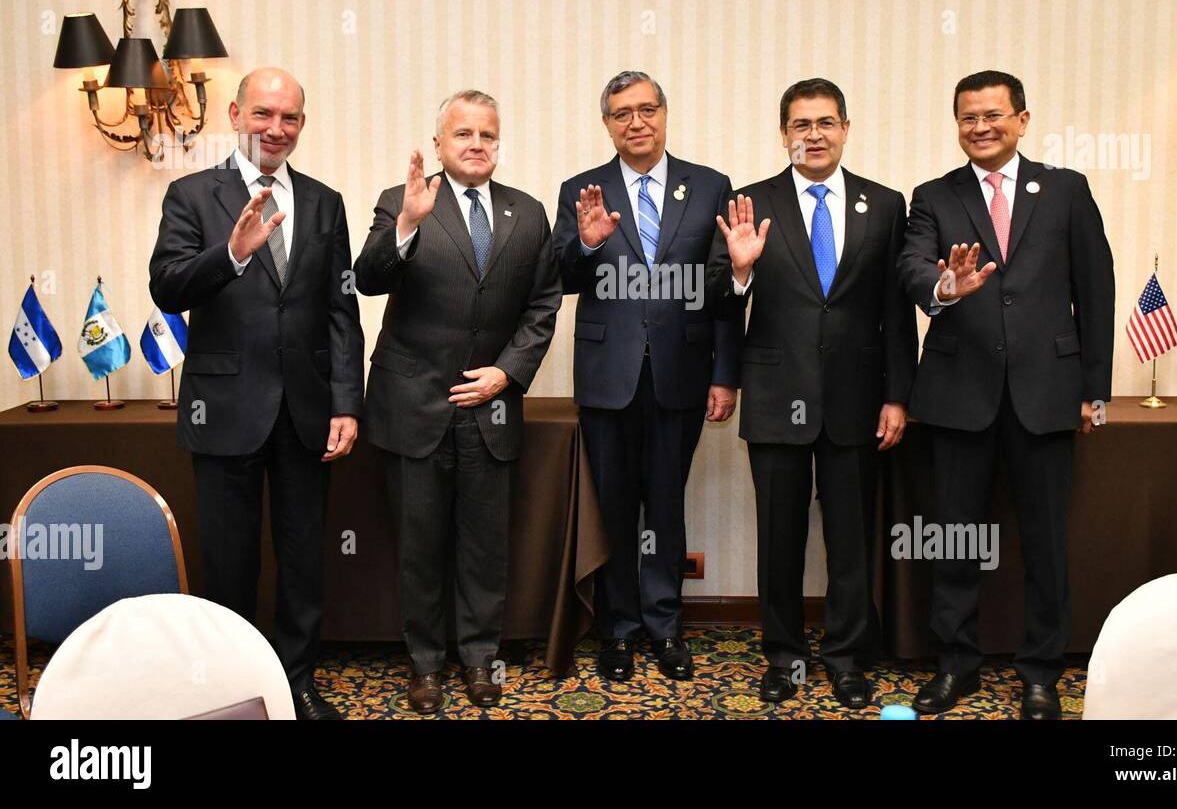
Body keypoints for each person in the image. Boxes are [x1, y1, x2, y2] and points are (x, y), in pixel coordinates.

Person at [897, 70, 1115, 719]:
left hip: (1048, 393)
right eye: (968, 117)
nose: (981, 126)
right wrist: (943, 289)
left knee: (1045, 543)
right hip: (958, 393)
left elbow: (1096, 291)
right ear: (956, 124)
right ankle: (955, 664)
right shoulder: (933, 196)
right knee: (956, 539)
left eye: (994, 115)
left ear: (1022, 119)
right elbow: (913, 267)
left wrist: (1094, 390)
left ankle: (1042, 671)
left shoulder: (1067, 190)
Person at [149, 67, 364, 720]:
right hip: (224, 412)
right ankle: (232, 691)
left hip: (305, 414)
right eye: (265, 114)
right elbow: (168, 285)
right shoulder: (191, 195)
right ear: (237, 114)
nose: (277, 128)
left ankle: (295, 683)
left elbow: (340, 309)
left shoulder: (325, 202)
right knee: (229, 565)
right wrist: (233, 254)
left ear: (302, 123)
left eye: (290, 117)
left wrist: (346, 401)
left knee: (303, 562)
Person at [707, 77, 917, 709]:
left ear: (846, 129)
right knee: (780, 538)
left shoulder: (884, 205)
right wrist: (740, 269)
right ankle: (785, 657)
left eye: (826, 123)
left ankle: (850, 659)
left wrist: (897, 395)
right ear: (784, 135)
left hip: (858, 401)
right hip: (776, 396)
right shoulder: (750, 201)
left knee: (851, 539)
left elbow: (895, 311)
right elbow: (717, 299)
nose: (814, 135)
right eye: (801, 125)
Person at [353, 90, 561, 710]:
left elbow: (542, 304)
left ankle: (479, 658)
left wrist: (506, 373)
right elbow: (367, 278)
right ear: (439, 143)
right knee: (419, 546)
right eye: (463, 134)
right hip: (412, 404)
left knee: (483, 544)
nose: (477, 145)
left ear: (500, 144)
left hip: (490, 407)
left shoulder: (527, 213)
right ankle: (424, 664)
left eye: (488, 136)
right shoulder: (402, 201)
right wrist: (409, 225)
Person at [553, 71, 742, 682]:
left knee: (664, 504)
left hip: (681, 374)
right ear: (606, 123)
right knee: (612, 508)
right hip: (608, 374)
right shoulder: (581, 189)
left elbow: (720, 290)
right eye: (620, 113)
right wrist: (584, 246)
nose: (635, 122)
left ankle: (663, 626)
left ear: (665, 113)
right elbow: (559, 277)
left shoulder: (709, 186)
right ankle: (617, 630)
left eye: (646, 109)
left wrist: (725, 374)